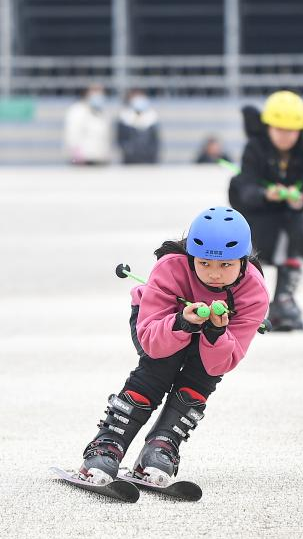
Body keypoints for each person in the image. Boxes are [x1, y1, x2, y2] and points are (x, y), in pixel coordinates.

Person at [77, 207, 269, 487]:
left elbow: (220, 364)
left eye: (226, 265)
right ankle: (109, 443)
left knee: (199, 379)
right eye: (204, 263)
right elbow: (151, 342)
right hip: (158, 329)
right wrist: (183, 323)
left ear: (243, 260)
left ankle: (163, 444)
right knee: (158, 369)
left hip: (214, 339)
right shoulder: (170, 267)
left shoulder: (254, 291)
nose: (214, 274)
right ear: (191, 256)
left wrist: (215, 332)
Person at [228, 90, 303, 331]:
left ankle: (283, 300)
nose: (284, 136)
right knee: (248, 256)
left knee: (296, 240)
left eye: (290, 131)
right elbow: (245, 186)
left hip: (288, 217)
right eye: (279, 129)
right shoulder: (255, 148)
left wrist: (301, 200)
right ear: (268, 127)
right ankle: (239, 301)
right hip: (256, 214)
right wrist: (264, 194)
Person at [63, 84, 111, 166]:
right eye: (95, 91)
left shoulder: (102, 112)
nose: (98, 94)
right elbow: (72, 135)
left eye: (100, 91)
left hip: (99, 159)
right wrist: (76, 154)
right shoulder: (77, 111)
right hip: (83, 160)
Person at [116, 89, 161, 164]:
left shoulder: (152, 117)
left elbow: (155, 142)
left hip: (148, 161)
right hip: (130, 161)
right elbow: (121, 140)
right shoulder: (124, 117)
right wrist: (130, 152)